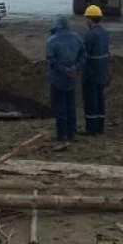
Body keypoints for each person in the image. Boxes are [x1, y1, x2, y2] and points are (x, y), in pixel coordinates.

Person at [45, 15, 86, 148]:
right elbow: (83, 55)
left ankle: (61, 135)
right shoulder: (77, 38)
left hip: (58, 78)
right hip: (72, 78)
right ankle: (72, 133)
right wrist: (75, 68)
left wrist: (64, 70)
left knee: (60, 107)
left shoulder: (52, 41)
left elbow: (51, 61)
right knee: (71, 106)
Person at [82, 5, 110, 136]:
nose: (86, 21)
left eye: (87, 18)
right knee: (100, 99)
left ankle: (91, 128)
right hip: (102, 72)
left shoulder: (90, 35)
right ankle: (100, 126)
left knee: (90, 100)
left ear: (90, 19)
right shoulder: (105, 33)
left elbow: (83, 54)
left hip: (91, 72)